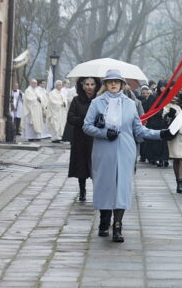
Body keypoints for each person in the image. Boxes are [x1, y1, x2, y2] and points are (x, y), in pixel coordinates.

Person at [83, 69, 174, 243]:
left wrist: (161, 134)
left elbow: (138, 129)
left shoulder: (130, 104)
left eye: (117, 81)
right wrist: (103, 133)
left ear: (123, 84)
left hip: (125, 149)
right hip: (103, 150)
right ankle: (104, 220)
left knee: (122, 187)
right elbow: (87, 126)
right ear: (105, 84)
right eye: (110, 82)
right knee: (105, 185)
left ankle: (118, 225)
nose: (114, 84)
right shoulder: (97, 103)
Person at [67, 77, 101, 202]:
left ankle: (97, 191)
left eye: (92, 84)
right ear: (82, 85)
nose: (89, 87)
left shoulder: (99, 100)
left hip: (95, 138)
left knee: (95, 165)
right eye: (87, 84)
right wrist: (82, 121)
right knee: (81, 165)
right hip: (80, 137)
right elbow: (70, 117)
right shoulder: (76, 100)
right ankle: (82, 190)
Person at [163, 84, 182, 194]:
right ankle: (177, 180)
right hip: (174, 132)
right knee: (176, 158)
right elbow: (165, 116)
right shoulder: (171, 102)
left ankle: (181, 183)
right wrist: (170, 115)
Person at [141, 80, 170, 167]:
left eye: (164, 87)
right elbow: (151, 109)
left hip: (164, 122)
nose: (163, 88)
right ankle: (155, 158)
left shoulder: (167, 96)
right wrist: (162, 113)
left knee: (163, 142)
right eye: (161, 87)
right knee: (156, 142)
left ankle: (163, 158)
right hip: (155, 122)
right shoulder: (154, 96)